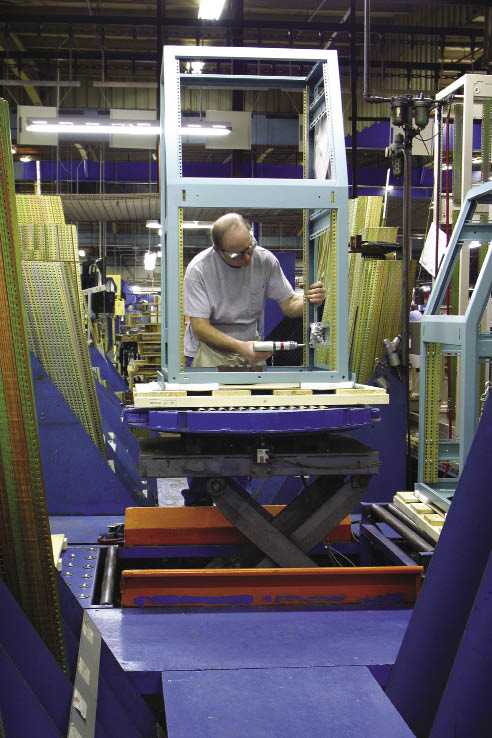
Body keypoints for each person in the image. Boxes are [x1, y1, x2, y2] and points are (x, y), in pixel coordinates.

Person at [183, 212, 325, 367]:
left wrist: (311, 300)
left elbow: (290, 304)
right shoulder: (199, 270)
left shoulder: (265, 261)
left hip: (250, 348)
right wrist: (240, 347)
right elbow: (200, 328)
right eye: (237, 255)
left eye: (249, 248)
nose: (247, 259)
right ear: (217, 250)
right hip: (209, 351)